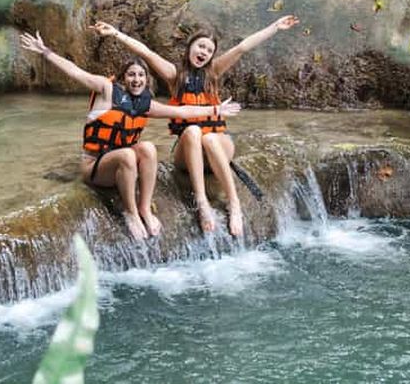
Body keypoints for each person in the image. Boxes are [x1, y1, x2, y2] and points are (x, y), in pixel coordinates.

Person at [19, 31, 242, 241]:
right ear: (123, 78)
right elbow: (76, 72)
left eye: (141, 76)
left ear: (147, 80)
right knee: (127, 154)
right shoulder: (106, 90)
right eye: (131, 75)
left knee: (148, 148)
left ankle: (145, 208)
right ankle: (131, 212)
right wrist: (46, 52)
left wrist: (216, 110)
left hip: (122, 164)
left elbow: (183, 111)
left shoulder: (145, 104)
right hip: (94, 166)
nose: (136, 79)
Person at [91, 15, 299, 236]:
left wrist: (275, 27)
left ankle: (234, 203)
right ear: (190, 47)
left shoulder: (214, 72)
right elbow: (146, 53)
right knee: (192, 131)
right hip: (188, 151)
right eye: (200, 46)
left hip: (218, 145)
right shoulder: (174, 76)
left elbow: (242, 47)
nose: (203, 52)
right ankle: (202, 203)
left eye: (209, 50)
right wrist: (116, 34)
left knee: (208, 138)